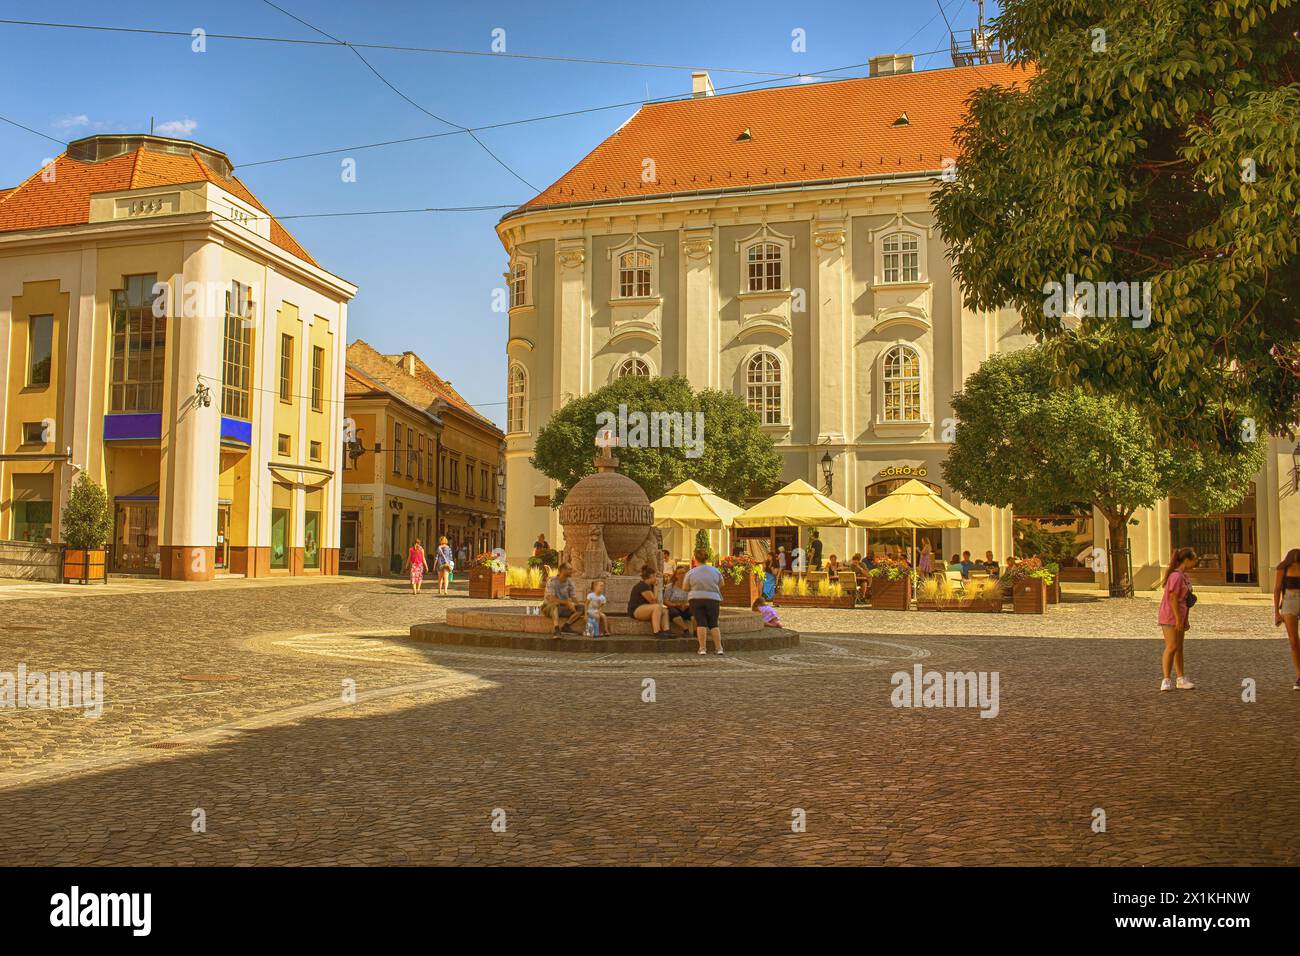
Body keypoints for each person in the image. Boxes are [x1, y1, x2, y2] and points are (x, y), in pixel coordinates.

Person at [1158, 548, 1198, 691]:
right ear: (1187, 560)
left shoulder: (1184, 576)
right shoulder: (1176, 576)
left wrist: (1184, 619)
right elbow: (1173, 598)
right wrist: (1178, 619)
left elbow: (1185, 600)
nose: (1196, 562)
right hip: (1170, 615)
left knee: (1179, 647)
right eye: (1194, 559)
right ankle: (1166, 679)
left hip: (1180, 615)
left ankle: (1180, 678)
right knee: (1172, 646)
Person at [684, 548, 724, 655]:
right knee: (714, 624)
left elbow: (685, 587)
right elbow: (721, 584)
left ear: (695, 558)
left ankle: (702, 648)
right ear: (707, 558)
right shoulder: (715, 571)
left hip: (696, 598)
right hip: (713, 598)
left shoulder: (691, 572)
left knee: (701, 623)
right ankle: (719, 648)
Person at [1273, 548, 1300, 690]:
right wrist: (1276, 612)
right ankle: (1299, 676)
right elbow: (1277, 589)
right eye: (1293, 564)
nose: (1296, 566)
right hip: (1289, 602)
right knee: (1294, 641)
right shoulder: (1282, 568)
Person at [629, 564, 674, 638]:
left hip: (645, 608)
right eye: (655, 576)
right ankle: (657, 631)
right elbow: (653, 601)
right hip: (636, 610)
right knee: (657, 607)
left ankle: (666, 630)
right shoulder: (642, 585)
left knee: (665, 610)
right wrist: (656, 587)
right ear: (651, 576)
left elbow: (654, 601)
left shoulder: (649, 586)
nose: (656, 578)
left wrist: (655, 587)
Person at [543, 563, 584, 638]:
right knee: (554, 605)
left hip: (562, 608)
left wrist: (577, 605)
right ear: (563, 570)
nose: (572, 571)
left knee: (581, 608)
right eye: (570, 569)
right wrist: (567, 603)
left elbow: (573, 597)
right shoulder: (552, 581)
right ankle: (557, 630)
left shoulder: (570, 582)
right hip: (548, 607)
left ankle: (566, 626)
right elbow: (551, 599)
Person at [664, 567, 694, 633]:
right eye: (679, 573)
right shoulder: (670, 586)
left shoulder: (690, 586)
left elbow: (693, 599)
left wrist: (688, 604)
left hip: (686, 607)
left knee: (694, 612)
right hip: (674, 607)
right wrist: (675, 605)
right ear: (676, 575)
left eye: (683, 573)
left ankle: (696, 631)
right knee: (673, 612)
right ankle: (685, 629)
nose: (682, 575)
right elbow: (665, 601)